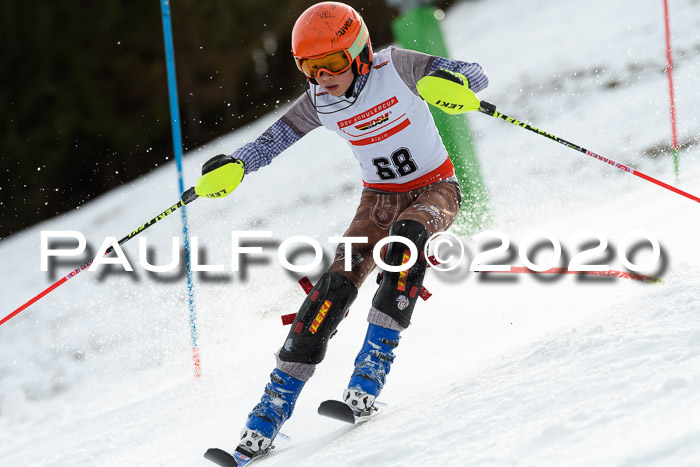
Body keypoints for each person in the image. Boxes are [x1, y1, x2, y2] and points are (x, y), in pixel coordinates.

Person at [196, 1, 488, 458]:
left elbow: (472, 71)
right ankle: (268, 415)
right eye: (309, 67)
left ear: (361, 52)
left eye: (332, 63)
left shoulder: (398, 66)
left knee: (406, 244)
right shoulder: (320, 100)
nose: (322, 76)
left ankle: (370, 372)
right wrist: (236, 166)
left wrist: (459, 84)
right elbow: (274, 140)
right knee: (331, 287)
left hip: (436, 188)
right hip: (377, 201)